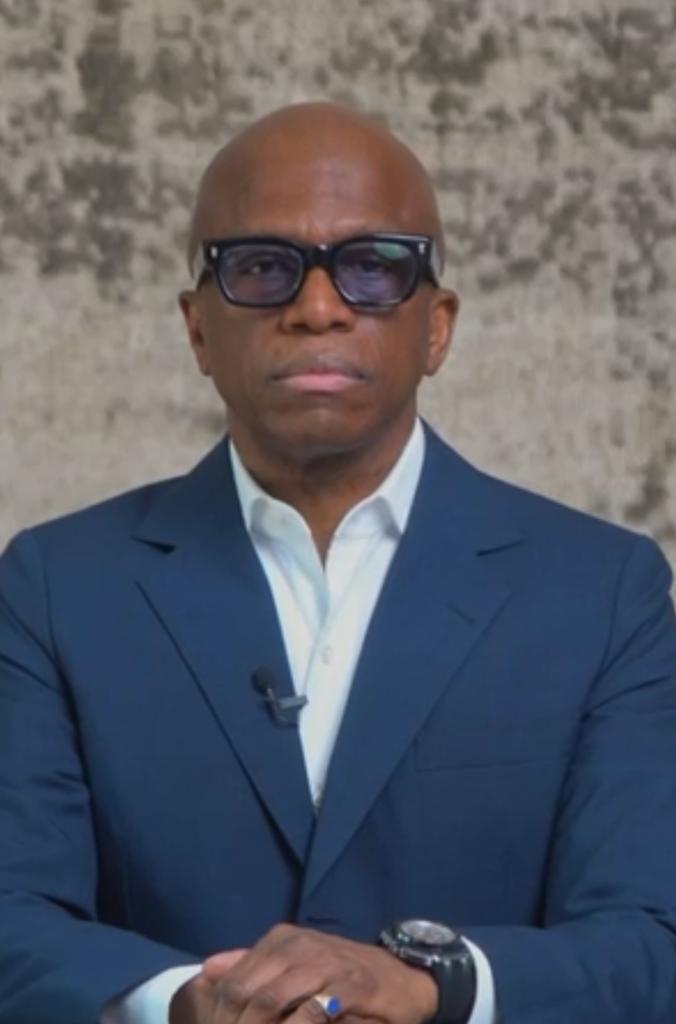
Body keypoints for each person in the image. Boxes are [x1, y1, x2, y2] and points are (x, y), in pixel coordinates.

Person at [0, 102, 675, 1024]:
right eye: (261, 267)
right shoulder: (55, 586)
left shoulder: (602, 592)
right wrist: (186, 1002)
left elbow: (649, 940)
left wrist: (432, 986)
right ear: (197, 329)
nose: (317, 309)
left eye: (373, 267)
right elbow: (12, 919)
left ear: (436, 327)